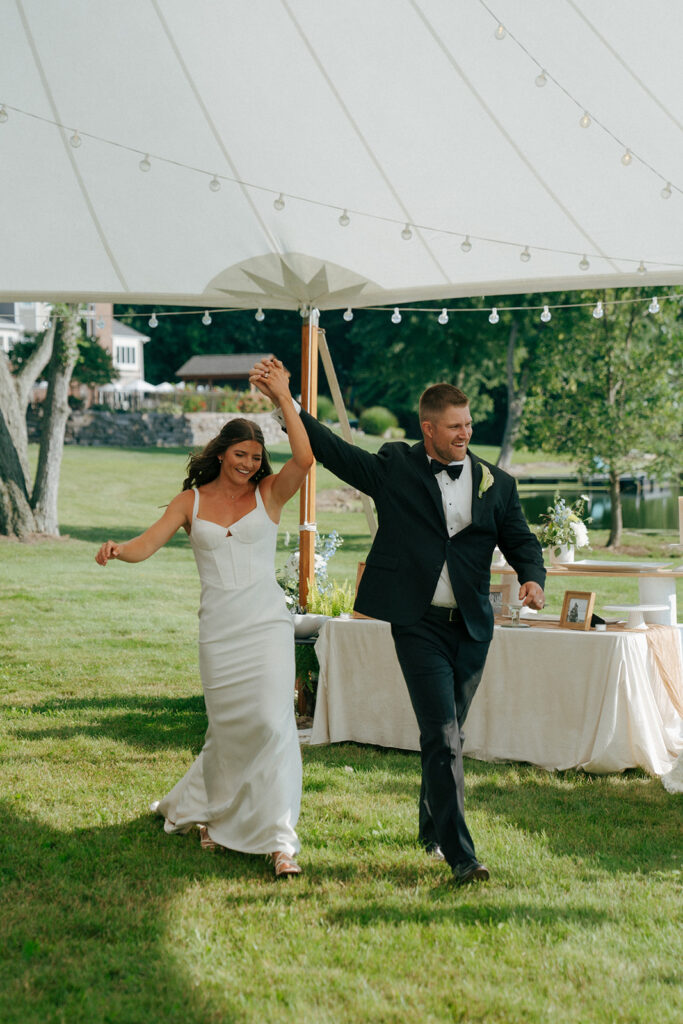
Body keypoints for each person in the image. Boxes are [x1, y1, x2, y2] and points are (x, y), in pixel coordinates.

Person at [251, 359, 545, 885]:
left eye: (469, 425)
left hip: (474, 627)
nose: (466, 433)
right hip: (417, 623)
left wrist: (532, 576)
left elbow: (520, 539)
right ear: (429, 429)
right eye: (455, 426)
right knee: (442, 732)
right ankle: (462, 857)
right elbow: (335, 451)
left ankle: (431, 827)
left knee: (448, 732)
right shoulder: (395, 468)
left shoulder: (496, 483)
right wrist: (287, 402)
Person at [95, 362, 313, 878]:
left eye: (256, 457)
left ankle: (281, 843)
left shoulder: (269, 495)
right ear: (220, 454)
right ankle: (214, 816)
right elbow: (147, 543)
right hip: (219, 630)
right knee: (230, 730)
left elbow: (303, 458)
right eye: (240, 455)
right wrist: (118, 550)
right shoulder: (190, 501)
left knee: (272, 724)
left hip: (266, 625)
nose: (248, 464)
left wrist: (284, 397)